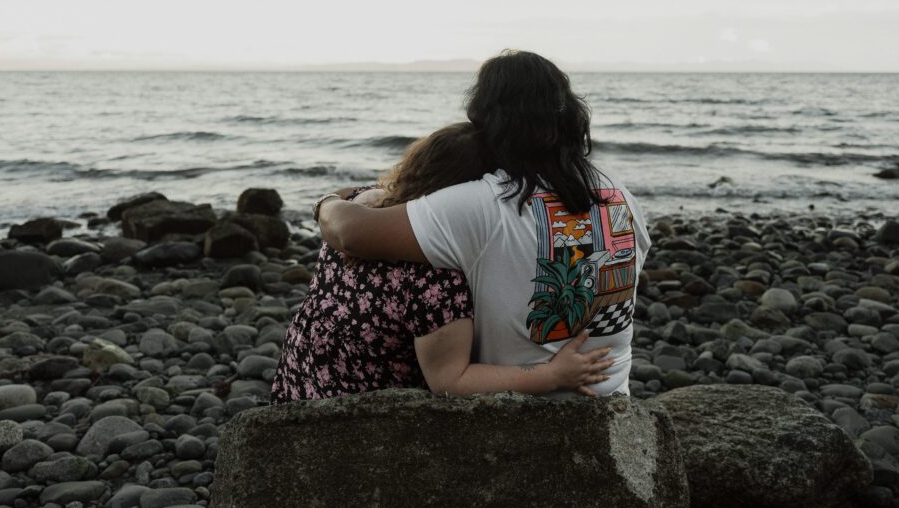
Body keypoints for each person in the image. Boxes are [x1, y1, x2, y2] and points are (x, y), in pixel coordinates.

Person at [317, 51, 651, 397]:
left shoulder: (485, 204)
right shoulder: (622, 196)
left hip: (521, 412)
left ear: (486, 121)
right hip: (614, 403)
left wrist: (326, 201)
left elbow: (349, 233)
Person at [271, 121, 613, 403]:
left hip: (297, 385)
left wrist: (329, 200)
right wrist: (551, 375)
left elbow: (347, 194)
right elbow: (450, 381)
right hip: (359, 417)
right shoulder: (435, 273)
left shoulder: (362, 210)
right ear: (470, 193)